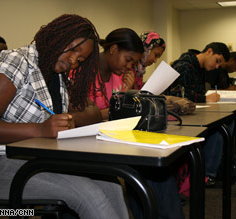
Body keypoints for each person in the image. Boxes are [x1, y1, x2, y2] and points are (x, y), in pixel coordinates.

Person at [0, 14, 130, 219]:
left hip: (35, 160)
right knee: (89, 194)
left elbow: (92, 112)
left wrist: (69, 119)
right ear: (56, 36)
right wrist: (40, 129)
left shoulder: (57, 75)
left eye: (80, 59)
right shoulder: (15, 61)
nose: (73, 61)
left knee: (110, 184)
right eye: (73, 49)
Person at [89, 28, 185, 219]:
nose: (129, 66)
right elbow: (86, 116)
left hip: (114, 136)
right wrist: (121, 104)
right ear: (113, 49)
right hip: (92, 141)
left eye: (133, 63)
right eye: (128, 60)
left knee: (156, 164)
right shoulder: (87, 73)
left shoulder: (120, 75)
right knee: (150, 169)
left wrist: (127, 92)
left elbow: (116, 113)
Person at [165, 42, 233, 186]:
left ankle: (211, 171)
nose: (216, 66)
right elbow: (176, 95)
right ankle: (207, 175)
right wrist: (204, 98)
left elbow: (194, 92)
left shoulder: (199, 68)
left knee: (228, 122)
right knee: (218, 130)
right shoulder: (184, 66)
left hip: (192, 113)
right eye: (217, 61)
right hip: (179, 119)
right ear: (209, 51)